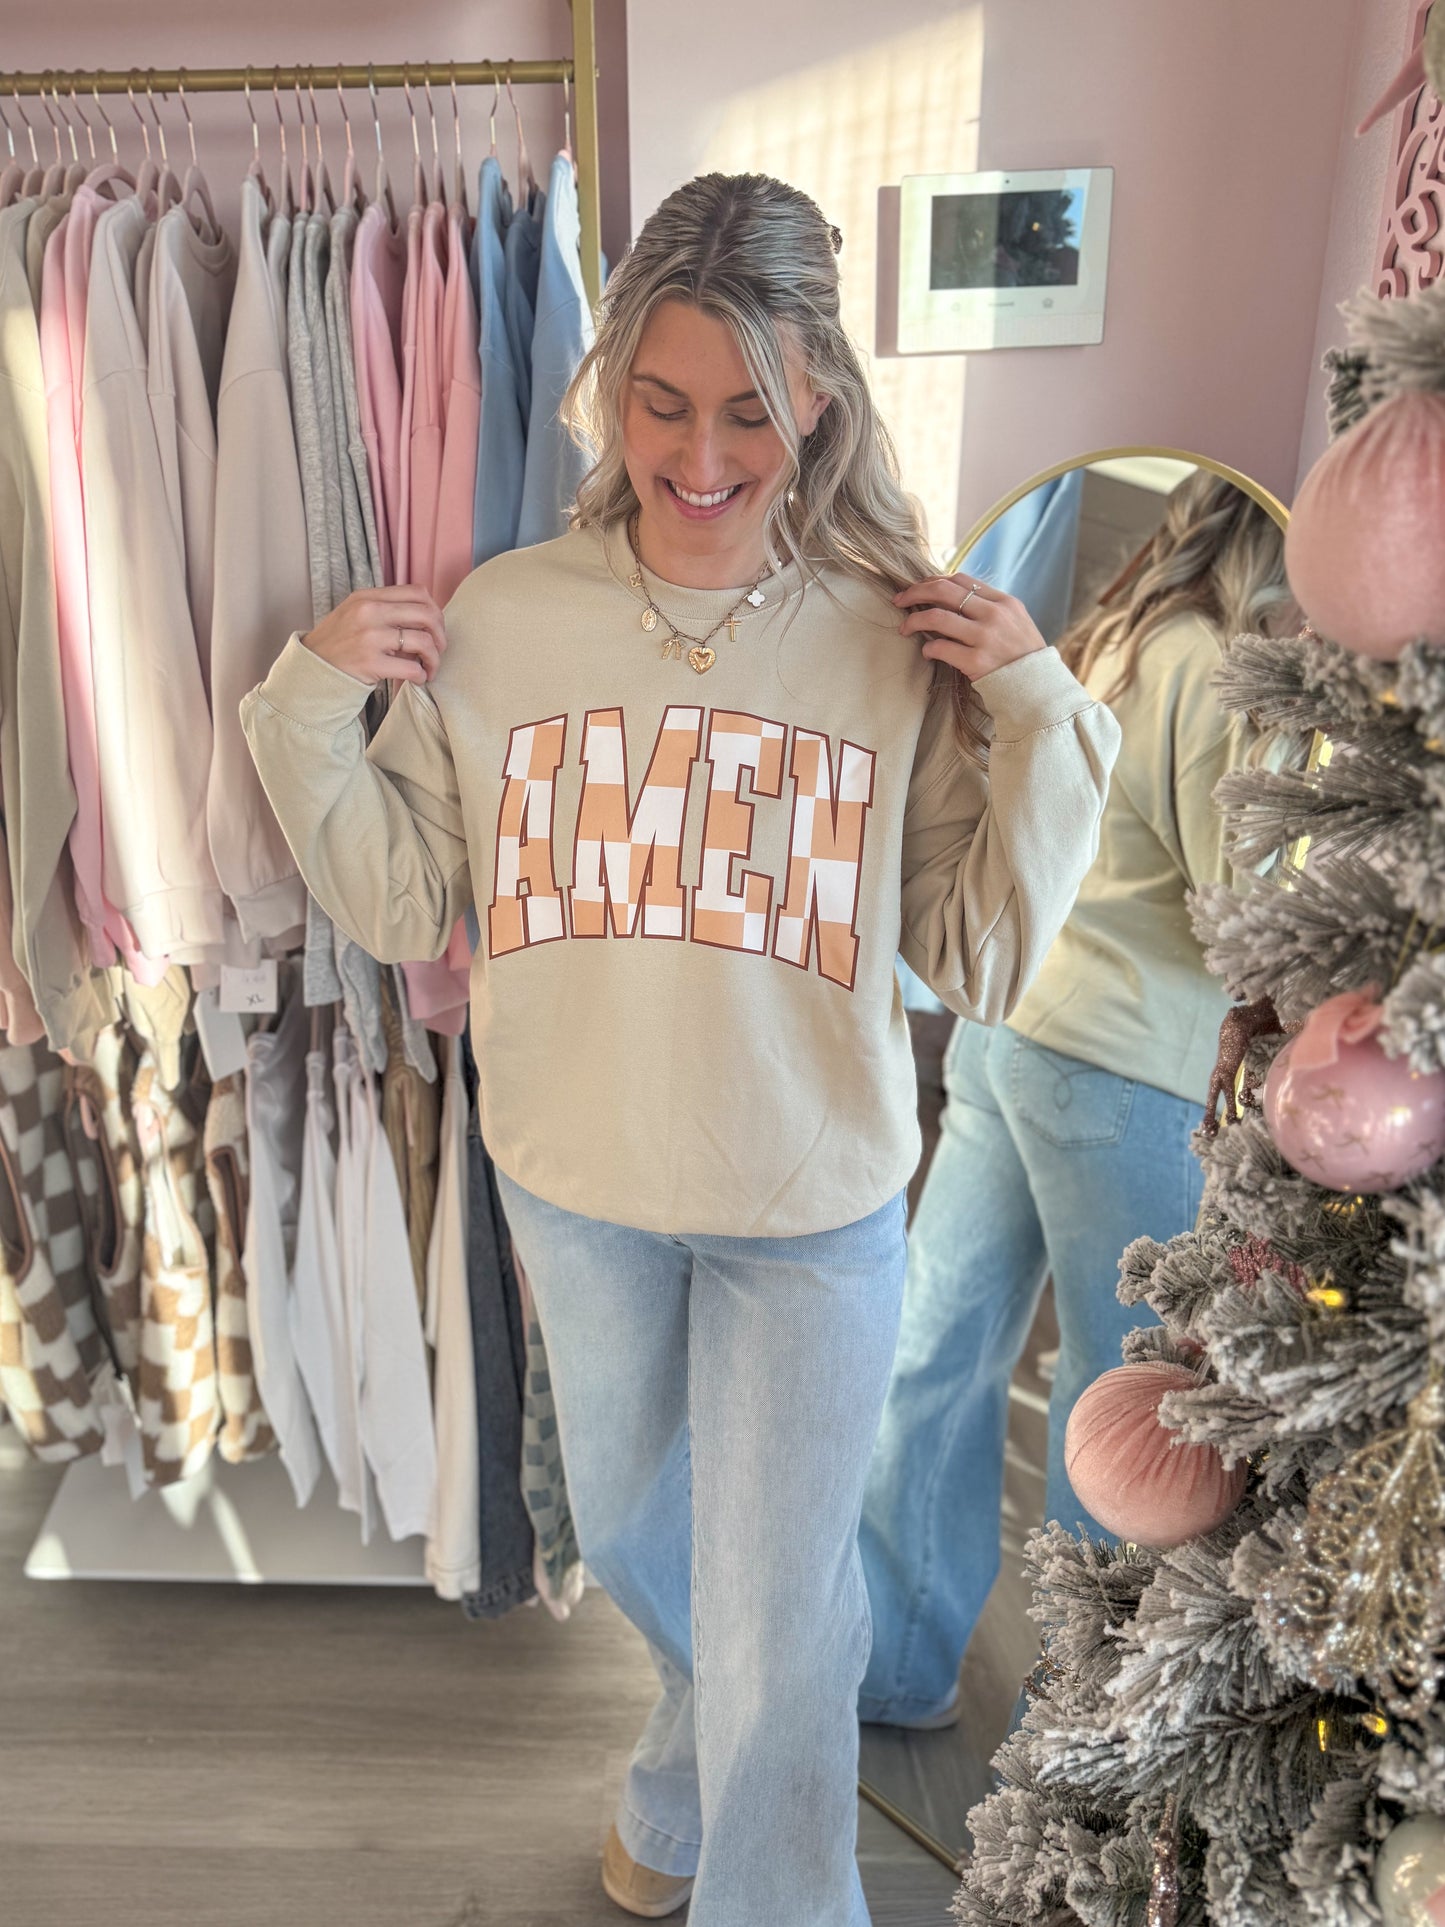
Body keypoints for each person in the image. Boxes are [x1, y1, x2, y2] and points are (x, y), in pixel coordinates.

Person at [241, 170, 1118, 1927]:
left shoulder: (891, 636)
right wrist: (305, 706)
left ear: (818, 401)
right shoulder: (504, 618)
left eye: (749, 409)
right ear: (611, 386)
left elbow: (986, 956)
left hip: (813, 1207)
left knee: (787, 1611)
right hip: (580, 1185)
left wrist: (1039, 708)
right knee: (653, 1549)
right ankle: (675, 1773)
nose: (702, 454)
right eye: (663, 401)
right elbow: (415, 902)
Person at [857, 469, 1293, 1732]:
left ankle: (896, 1665)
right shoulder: (1216, 668)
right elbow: (1238, 924)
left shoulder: (1104, 635)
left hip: (1010, 1040)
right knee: (1115, 1397)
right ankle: (1079, 1715)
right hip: (1120, 1073)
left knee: (940, 1345)